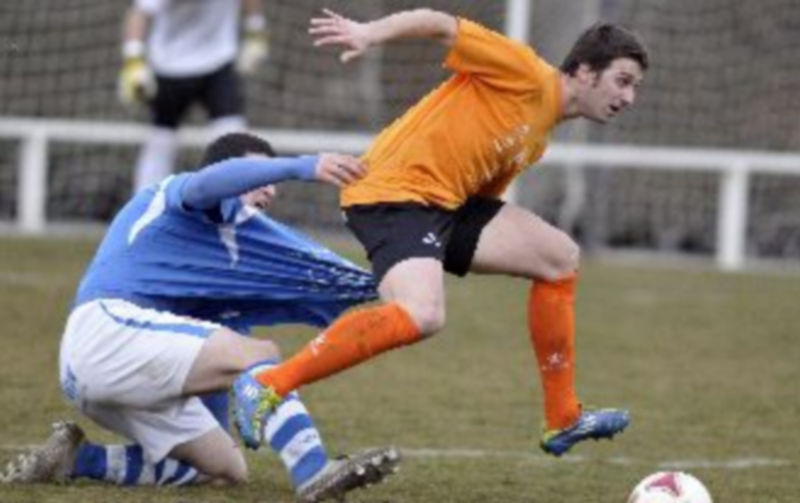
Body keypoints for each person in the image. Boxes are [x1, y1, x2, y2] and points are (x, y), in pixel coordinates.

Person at [232, 8, 649, 457]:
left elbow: (482, 203)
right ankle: (268, 384)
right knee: (423, 314)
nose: (628, 97)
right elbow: (440, 23)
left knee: (559, 258)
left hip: (443, 205)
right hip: (391, 194)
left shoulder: (540, 134)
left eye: (634, 87)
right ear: (585, 71)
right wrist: (370, 33)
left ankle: (562, 417)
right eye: (622, 81)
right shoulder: (525, 71)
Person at [0, 133, 400, 502]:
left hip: (102, 372)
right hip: (106, 330)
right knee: (259, 352)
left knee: (225, 469)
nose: (271, 187)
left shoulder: (216, 262)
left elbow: (223, 368)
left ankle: (80, 459)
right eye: (259, 173)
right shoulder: (180, 192)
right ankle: (313, 470)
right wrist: (304, 166)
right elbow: (210, 182)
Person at [118, 0, 270, 192]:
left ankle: (237, 208)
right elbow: (139, 14)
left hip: (218, 61)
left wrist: (255, 30)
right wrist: (133, 61)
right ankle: (145, 207)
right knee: (161, 139)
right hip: (171, 68)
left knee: (234, 134)